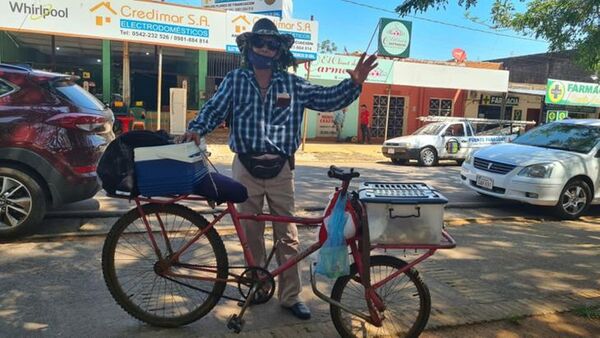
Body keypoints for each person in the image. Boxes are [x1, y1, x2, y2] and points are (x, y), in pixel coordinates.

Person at [178, 18, 377, 320]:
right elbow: (213, 109)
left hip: (282, 170)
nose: (266, 49)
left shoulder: (292, 83)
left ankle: (290, 297)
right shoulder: (235, 80)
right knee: (251, 233)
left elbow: (326, 99)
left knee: (288, 236)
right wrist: (195, 129)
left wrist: (355, 83)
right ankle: (257, 287)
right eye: (260, 42)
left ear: (280, 50)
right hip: (245, 167)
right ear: (249, 46)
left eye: (272, 44)